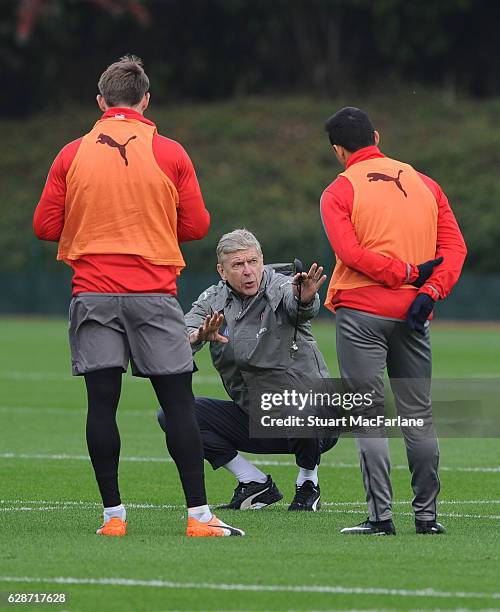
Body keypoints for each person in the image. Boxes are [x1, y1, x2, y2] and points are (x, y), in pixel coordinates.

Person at [33, 55, 244, 537]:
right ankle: (198, 517)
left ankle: (113, 518)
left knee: (101, 405)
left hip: (92, 293)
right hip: (153, 292)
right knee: (179, 403)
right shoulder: (169, 151)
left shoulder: (72, 152)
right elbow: (196, 225)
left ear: (101, 101)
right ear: (146, 101)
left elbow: (44, 225)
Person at [320, 107, 467, 535]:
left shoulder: (338, 190)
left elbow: (350, 255)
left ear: (338, 150)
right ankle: (427, 518)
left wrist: (401, 273)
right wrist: (429, 291)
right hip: (413, 315)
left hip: (361, 313)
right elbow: (455, 249)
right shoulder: (427, 184)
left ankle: (381, 518)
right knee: (418, 416)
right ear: (377, 136)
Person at [158, 228, 338, 511]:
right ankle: (253, 482)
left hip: (314, 418)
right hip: (256, 417)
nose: (248, 271)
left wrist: (304, 298)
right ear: (222, 270)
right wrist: (196, 336)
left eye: (253, 262)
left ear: (261, 260)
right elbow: (180, 335)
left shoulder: (279, 286)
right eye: (238, 265)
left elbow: (298, 306)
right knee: (174, 414)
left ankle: (308, 483)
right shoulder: (212, 300)